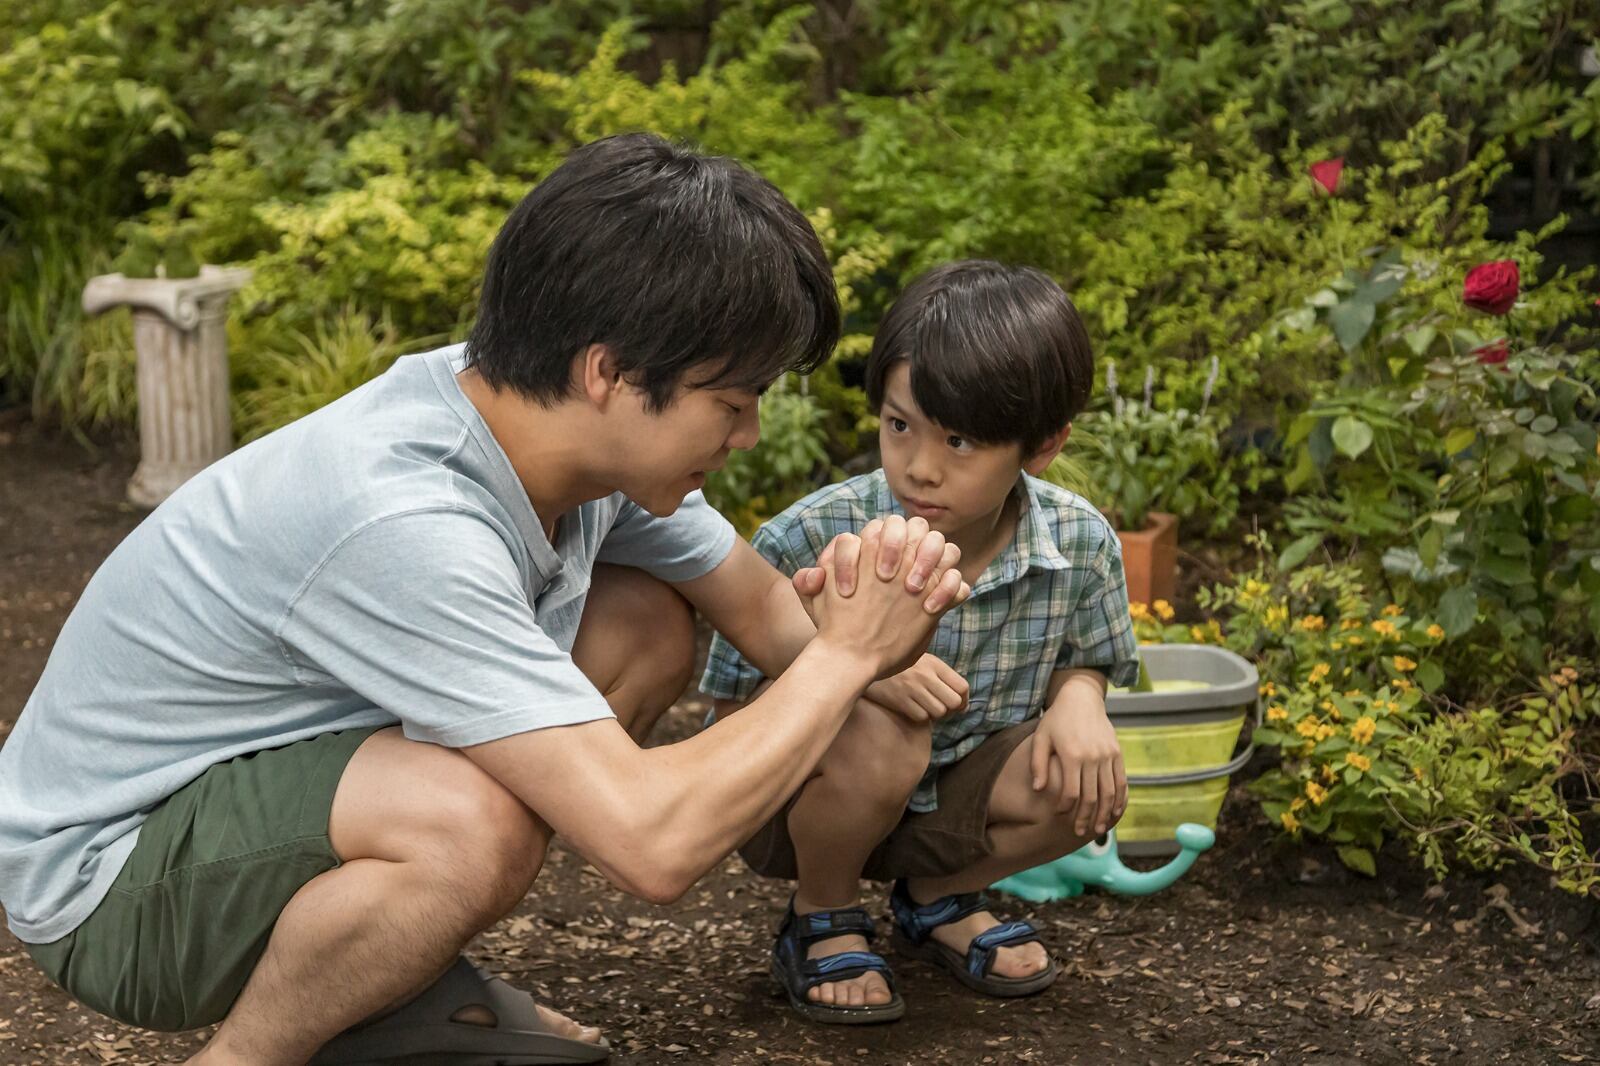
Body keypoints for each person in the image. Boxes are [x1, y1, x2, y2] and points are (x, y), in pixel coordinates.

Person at [0, 133, 973, 1066]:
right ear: (610, 374)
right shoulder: (406, 519)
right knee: (475, 824)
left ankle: (388, 976)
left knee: (640, 623)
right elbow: (655, 844)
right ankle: (252, 1050)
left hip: (236, 788)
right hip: (107, 881)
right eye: (731, 402)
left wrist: (885, 639)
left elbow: (764, 613)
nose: (750, 434)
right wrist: (845, 659)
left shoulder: (542, 428)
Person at [701, 260, 1141, 1024]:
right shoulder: (813, 534)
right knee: (882, 728)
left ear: (1040, 446)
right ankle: (823, 912)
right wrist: (853, 673)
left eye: (961, 440)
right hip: (803, 808)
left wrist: (1081, 701)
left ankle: (936, 901)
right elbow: (729, 702)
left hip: (959, 796)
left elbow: (1089, 652)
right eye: (899, 425)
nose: (919, 465)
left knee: (1081, 777)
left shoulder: (1079, 542)